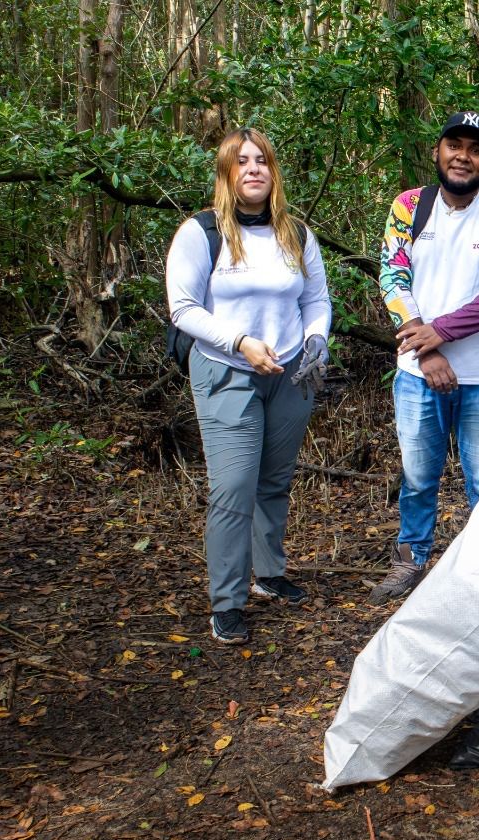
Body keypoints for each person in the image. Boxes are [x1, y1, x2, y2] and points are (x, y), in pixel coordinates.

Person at [167, 128, 332, 644]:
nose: (254, 169)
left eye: (262, 161)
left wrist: (314, 340)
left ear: (273, 171)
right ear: (227, 173)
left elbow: (316, 300)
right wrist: (240, 342)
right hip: (227, 371)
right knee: (233, 486)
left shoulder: (296, 234)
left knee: (273, 479)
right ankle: (227, 600)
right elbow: (182, 308)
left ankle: (270, 574)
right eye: (242, 162)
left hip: (289, 373)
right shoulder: (201, 233)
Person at [372, 111, 479, 600]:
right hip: (418, 373)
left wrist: (439, 331)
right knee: (419, 475)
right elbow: (393, 278)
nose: (464, 156)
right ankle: (411, 557)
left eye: (476, 149)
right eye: (454, 145)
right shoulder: (409, 206)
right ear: (437, 151)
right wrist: (426, 351)